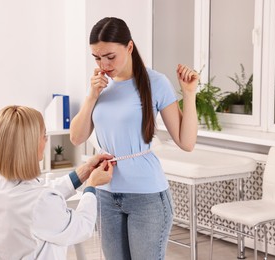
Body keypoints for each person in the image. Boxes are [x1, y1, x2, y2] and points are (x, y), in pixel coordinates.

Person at [70, 17, 199, 259]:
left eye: (110, 56)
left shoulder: (156, 83)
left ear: (129, 47)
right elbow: (77, 138)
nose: (104, 64)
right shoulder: (99, 85)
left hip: (147, 198)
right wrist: (92, 95)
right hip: (106, 194)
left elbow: (186, 142)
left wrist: (189, 94)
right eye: (97, 58)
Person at [0, 105, 114, 260]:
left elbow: (43, 193)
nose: (46, 140)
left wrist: (84, 172)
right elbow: (82, 226)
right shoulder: (40, 202)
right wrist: (91, 186)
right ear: (28, 146)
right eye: (44, 135)